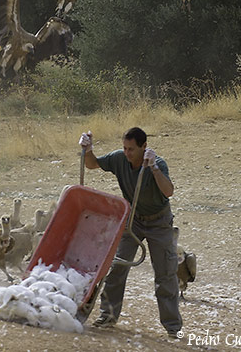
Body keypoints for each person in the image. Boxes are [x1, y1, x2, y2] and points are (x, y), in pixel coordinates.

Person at [78, 126, 182, 338]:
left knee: (165, 274)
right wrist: (88, 149)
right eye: (125, 148)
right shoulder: (119, 159)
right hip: (133, 219)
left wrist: (153, 168)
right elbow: (91, 165)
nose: (127, 153)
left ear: (144, 147)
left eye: (132, 149)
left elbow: (169, 191)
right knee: (116, 267)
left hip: (159, 222)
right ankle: (108, 316)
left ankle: (173, 328)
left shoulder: (157, 163)